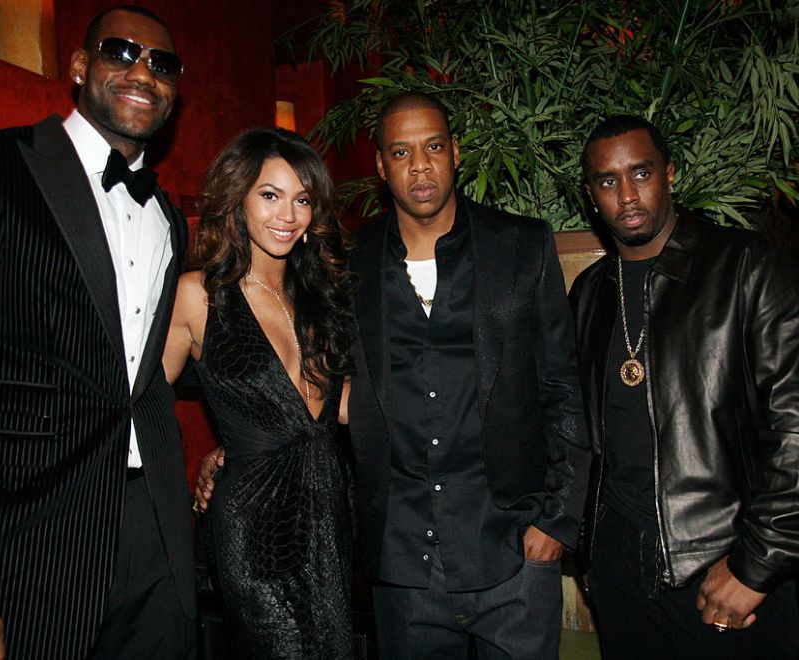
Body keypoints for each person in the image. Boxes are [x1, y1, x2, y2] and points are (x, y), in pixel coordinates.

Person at [199, 92, 591, 658]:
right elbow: (304, 381)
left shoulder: (521, 245)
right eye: (401, 152)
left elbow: (562, 388)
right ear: (381, 167)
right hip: (402, 563)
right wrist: (237, 447)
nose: (421, 166)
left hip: (512, 552)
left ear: (456, 153)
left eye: (434, 147)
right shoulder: (345, 264)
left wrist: (557, 521)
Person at [0, 6, 196, 658]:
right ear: (77, 66)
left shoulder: (167, 215)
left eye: (162, 64)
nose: (143, 72)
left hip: (153, 538)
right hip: (23, 542)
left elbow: (141, 378)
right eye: (121, 52)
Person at [570, 114, 799, 659]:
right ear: (590, 194)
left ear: (670, 173)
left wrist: (757, 564)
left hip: (721, 568)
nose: (627, 194)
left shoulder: (747, 267)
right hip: (619, 576)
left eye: (641, 173)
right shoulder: (590, 293)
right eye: (608, 180)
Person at [163, 127, 358, 658]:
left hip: (330, 514)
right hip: (254, 528)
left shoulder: (323, 295)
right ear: (238, 199)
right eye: (270, 195)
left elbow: (339, 409)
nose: (287, 215)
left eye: (302, 200)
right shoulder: (198, 296)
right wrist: (211, 461)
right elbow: (143, 406)